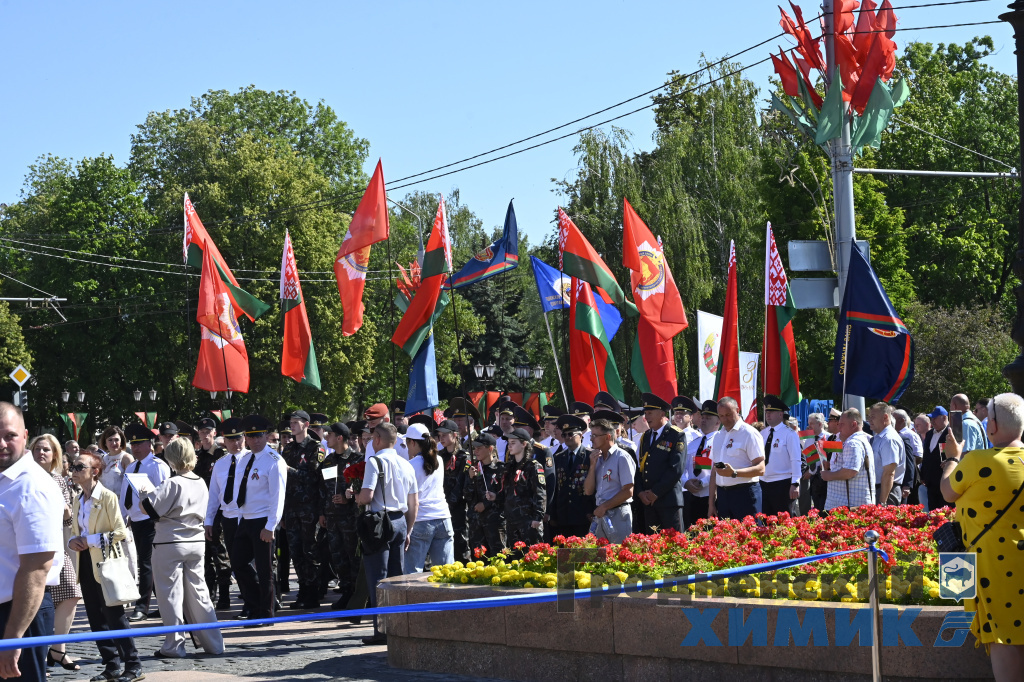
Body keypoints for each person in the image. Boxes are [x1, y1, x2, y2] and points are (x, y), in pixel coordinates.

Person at [940, 392, 1024, 681]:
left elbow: (946, 491)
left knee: (1004, 637)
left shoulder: (977, 461)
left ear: (993, 427)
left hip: (992, 566)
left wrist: (952, 456)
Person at [142, 438, 224, 658]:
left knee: (170, 595)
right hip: (196, 542)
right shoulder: (200, 481)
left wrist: (143, 493)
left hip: (171, 541)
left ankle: (174, 644)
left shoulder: (172, 483)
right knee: (200, 593)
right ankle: (214, 643)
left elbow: (149, 509)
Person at [68, 450, 142, 682]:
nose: (74, 471)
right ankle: (111, 665)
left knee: (115, 615)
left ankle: (133, 664)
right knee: (95, 618)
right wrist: (73, 541)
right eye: (73, 467)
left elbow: (121, 532)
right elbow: (74, 532)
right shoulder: (78, 499)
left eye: (80, 467)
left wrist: (88, 541)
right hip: (86, 564)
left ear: (95, 472)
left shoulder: (108, 497)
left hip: (107, 565)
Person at [0, 404, 62, 682]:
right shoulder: (5, 480)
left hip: (19, 613)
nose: (2, 443)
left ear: (25, 436)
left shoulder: (31, 486)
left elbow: (37, 568)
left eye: (9, 435)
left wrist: (13, 638)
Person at [352, 423, 418, 645]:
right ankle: (399, 628)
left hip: (379, 522)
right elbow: (413, 502)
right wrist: (408, 530)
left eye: (371, 438)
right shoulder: (406, 464)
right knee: (396, 577)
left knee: (378, 579)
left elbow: (367, 496)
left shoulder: (375, 461)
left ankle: (381, 631)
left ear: (377, 439)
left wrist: (356, 496)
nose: (370, 442)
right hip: (400, 520)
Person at [28, 435, 82, 672]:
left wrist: (66, 511)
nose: (42, 453)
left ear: (55, 455)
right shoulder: (25, 478)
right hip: (32, 548)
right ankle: (35, 654)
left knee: (72, 592)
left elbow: (68, 520)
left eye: (46, 450)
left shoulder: (59, 480)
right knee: (35, 601)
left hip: (57, 546)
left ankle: (58, 650)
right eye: (38, 449)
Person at [230, 415, 288, 626]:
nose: (255, 440)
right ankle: (255, 605)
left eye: (259, 436)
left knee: (265, 570)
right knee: (237, 563)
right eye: (251, 436)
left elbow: (277, 496)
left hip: (263, 519)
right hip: (245, 519)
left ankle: (267, 613)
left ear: (266, 436)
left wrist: (270, 526)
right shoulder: (245, 459)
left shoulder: (274, 461)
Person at [121, 422, 171, 621]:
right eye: (133, 444)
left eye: (139, 443)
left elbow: (163, 493)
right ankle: (163, 603)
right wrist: (123, 517)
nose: (135, 447)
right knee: (149, 563)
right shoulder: (132, 466)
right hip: (136, 520)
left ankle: (141, 606)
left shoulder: (158, 465)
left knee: (146, 564)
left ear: (149, 444)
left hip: (152, 520)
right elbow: (125, 495)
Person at [281, 410, 327, 610]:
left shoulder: (315, 448)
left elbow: (315, 477)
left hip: (309, 508)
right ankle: (303, 589)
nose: (292, 425)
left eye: (296, 422)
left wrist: (288, 470)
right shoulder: (288, 449)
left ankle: (313, 591)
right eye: (291, 422)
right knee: (295, 552)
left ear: (306, 424)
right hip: (291, 508)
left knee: (311, 551)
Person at [204, 417, 246, 613]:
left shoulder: (252, 460)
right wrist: (209, 521)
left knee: (251, 562)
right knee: (235, 560)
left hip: (248, 517)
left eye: (238, 439)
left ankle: (256, 600)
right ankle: (244, 598)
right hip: (228, 518)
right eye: (231, 440)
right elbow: (214, 495)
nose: (235, 443)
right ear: (224, 441)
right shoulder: (220, 464)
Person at [320, 422, 362, 610]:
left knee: (353, 556)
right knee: (337, 557)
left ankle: (357, 595)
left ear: (339, 437)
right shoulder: (328, 461)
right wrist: (322, 512)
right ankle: (346, 592)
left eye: (329, 434)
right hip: (331, 518)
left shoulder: (356, 459)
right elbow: (322, 489)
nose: (326, 437)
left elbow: (362, 487)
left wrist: (348, 499)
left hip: (350, 518)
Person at [404, 423, 454, 572]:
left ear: (412, 442)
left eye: (407, 444)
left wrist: (408, 529)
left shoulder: (410, 465)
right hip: (443, 518)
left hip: (421, 521)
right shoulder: (439, 459)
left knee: (412, 575)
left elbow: (413, 503)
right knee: (447, 573)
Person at [634, 393, 686, 532]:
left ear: (662, 413)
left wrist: (655, 492)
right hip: (648, 502)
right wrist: (640, 493)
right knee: (652, 547)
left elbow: (676, 469)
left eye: (650, 413)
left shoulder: (676, 434)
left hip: (668, 502)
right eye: (645, 413)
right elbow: (640, 468)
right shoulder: (645, 436)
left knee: (675, 545)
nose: (646, 417)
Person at [708, 397, 765, 521]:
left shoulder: (749, 433)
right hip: (723, 496)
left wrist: (734, 473)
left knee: (750, 536)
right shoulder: (718, 436)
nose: (725, 419)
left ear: (737, 410)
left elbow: (761, 468)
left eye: (728, 414)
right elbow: (714, 471)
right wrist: (711, 503)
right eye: (721, 416)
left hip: (745, 493)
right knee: (727, 538)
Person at [582, 419, 634, 543]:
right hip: (601, 514)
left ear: (608, 437)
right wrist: (592, 465)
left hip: (618, 513)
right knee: (598, 557)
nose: (591, 439)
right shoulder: (597, 458)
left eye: (595, 436)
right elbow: (588, 491)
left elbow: (628, 491)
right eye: (591, 435)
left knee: (619, 555)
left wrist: (604, 507)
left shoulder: (622, 457)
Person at [493, 428, 546, 548]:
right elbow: (506, 493)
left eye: (513, 443)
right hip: (512, 521)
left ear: (524, 444)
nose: (509, 446)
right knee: (515, 558)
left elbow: (540, 493)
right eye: (509, 443)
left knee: (532, 557)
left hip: (528, 521)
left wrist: (537, 518)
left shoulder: (533, 466)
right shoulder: (509, 467)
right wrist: (495, 496)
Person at [549, 414, 595, 538]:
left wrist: (592, 510)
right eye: (564, 435)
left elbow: (594, 487)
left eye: (571, 434)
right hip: (564, 515)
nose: (567, 438)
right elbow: (555, 488)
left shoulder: (589, 456)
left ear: (580, 435)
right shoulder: (558, 457)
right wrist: (553, 514)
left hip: (583, 514)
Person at [821, 408, 875, 511]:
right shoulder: (857, 440)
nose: (838, 426)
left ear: (853, 424)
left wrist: (829, 475)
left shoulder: (853, 443)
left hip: (849, 505)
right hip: (847, 504)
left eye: (842, 424)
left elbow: (850, 471)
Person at [759, 395, 802, 516]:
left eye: (771, 411)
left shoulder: (789, 434)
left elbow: (796, 460)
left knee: (784, 522)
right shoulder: (762, 433)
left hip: (782, 483)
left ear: (780, 414)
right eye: (767, 411)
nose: (768, 414)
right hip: (763, 482)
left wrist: (795, 483)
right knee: (765, 521)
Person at [463, 432, 505, 557]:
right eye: (475, 448)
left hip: (495, 522)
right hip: (476, 523)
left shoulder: (500, 469)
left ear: (490, 449)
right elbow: (467, 496)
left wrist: (485, 504)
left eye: (479, 448)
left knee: (498, 557)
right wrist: (470, 479)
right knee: (479, 559)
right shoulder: (473, 468)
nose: (476, 451)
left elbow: (504, 495)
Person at [436, 420, 470, 563]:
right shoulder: (439, 456)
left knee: (461, 545)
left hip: (458, 508)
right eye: (439, 435)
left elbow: (462, 482)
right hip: (441, 506)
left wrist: (450, 502)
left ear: (455, 435)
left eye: (445, 434)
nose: (441, 438)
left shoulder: (464, 457)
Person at [682, 401, 719, 527]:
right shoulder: (693, 443)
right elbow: (682, 468)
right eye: (702, 417)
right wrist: (685, 482)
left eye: (708, 418)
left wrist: (703, 482)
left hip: (712, 497)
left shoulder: (720, 441)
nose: (703, 420)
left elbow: (717, 469)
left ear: (718, 422)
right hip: (692, 496)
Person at [868, 402, 906, 506]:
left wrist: (883, 502)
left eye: (873, 417)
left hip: (887, 492)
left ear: (885, 417)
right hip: (880, 489)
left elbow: (889, 473)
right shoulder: (878, 437)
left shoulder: (889, 439)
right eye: (869, 417)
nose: (869, 420)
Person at [921, 406, 950, 512]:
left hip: (943, 481)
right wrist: (923, 474)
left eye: (935, 418)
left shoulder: (950, 433)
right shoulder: (929, 434)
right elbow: (926, 455)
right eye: (931, 418)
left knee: (945, 512)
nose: (932, 421)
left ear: (944, 417)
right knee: (932, 511)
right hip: (930, 481)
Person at [98, 426, 132, 499]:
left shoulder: (126, 458)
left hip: (120, 501)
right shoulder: (102, 459)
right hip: (103, 501)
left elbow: (131, 485)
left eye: (116, 440)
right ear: (105, 442)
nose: (113, 443)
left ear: (121, 441)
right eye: (110, 440)